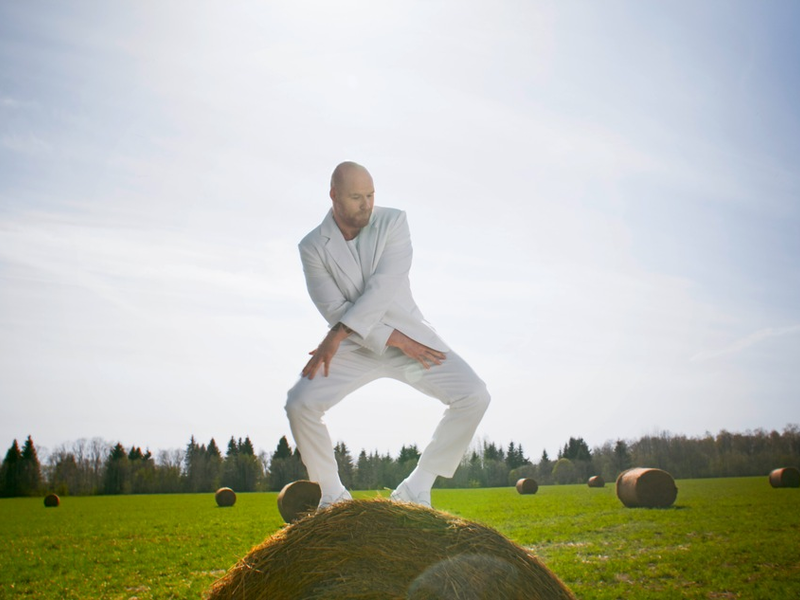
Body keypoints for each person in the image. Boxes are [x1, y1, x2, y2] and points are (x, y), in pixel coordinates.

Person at [285, 161, 490, 509]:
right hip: (355, 346)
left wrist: (342, 336)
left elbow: (382, 289)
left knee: (474, 395)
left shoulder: (394, 222)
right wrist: (390, 339)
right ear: (333, 196)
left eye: (371, 194)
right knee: (299, 404)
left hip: (408, 341)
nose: (366, 204)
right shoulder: (312, 247)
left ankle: (417, 486)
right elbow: (334, 308)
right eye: (356, 197)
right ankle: (332, 496)